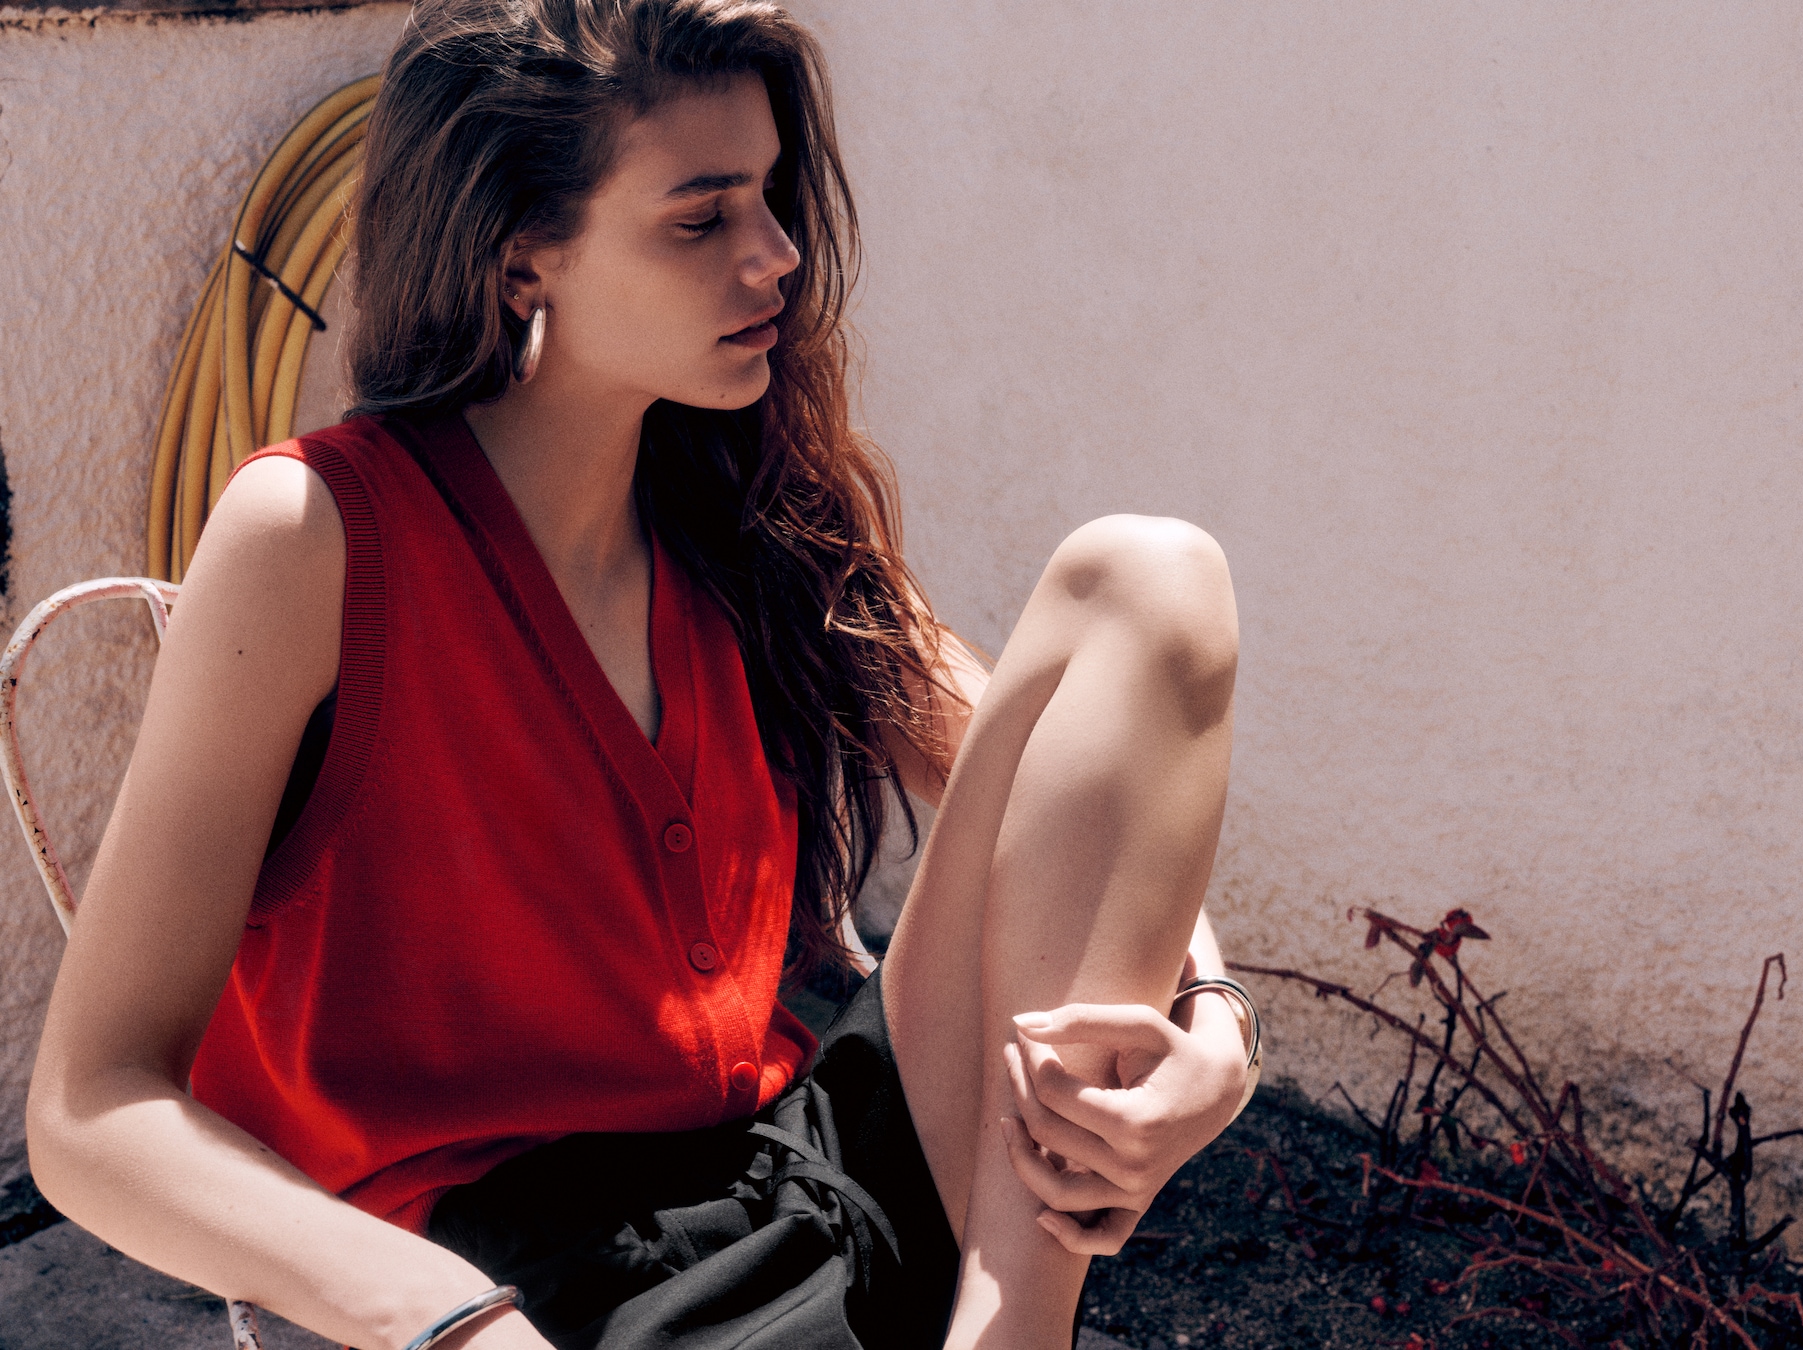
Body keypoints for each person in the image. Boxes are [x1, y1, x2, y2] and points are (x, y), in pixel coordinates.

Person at [23, 2, 1254, 1347]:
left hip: (821, 1174)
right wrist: (443, 1314)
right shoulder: (318, 535)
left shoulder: (750, 512)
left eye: (771, 197)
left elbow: (1058, 767)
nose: (777, 254)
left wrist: (1213, 1022)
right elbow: (93, 1108)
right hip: (553, 1293)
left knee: (1151, 580)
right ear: (521, 257)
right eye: (701, 218)